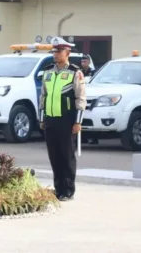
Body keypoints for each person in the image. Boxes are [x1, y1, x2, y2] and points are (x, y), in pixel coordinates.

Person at [38, 37, 87, 201]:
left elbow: (80, 98)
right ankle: (58, 188)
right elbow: (43, 96)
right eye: (54, 51)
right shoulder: (48, 71)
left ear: (68, 53)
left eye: (59, 51)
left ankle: (68, 190)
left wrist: (78, 121)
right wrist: (42, 118)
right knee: (54, 156)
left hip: (67, 120)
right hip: (51, 119)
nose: (55, 54)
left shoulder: (75, 72)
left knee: (66, 156)